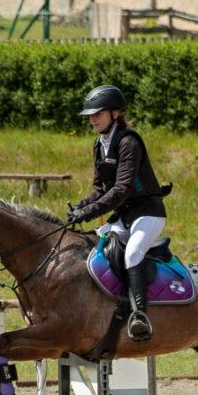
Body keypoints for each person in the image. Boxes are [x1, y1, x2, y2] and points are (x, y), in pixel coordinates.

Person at [68, 85, 170, 343]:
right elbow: (100, 189)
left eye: (97, 114)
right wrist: (80, 207)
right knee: (93, 245)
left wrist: (89, 211)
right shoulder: (99, 144)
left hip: (147, 213)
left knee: (133, 253)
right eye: (90, 115)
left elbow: (122, 189)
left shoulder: (128, 142)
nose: (92, 120)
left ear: (115, 113)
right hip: (124, 215)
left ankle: (139, 315)